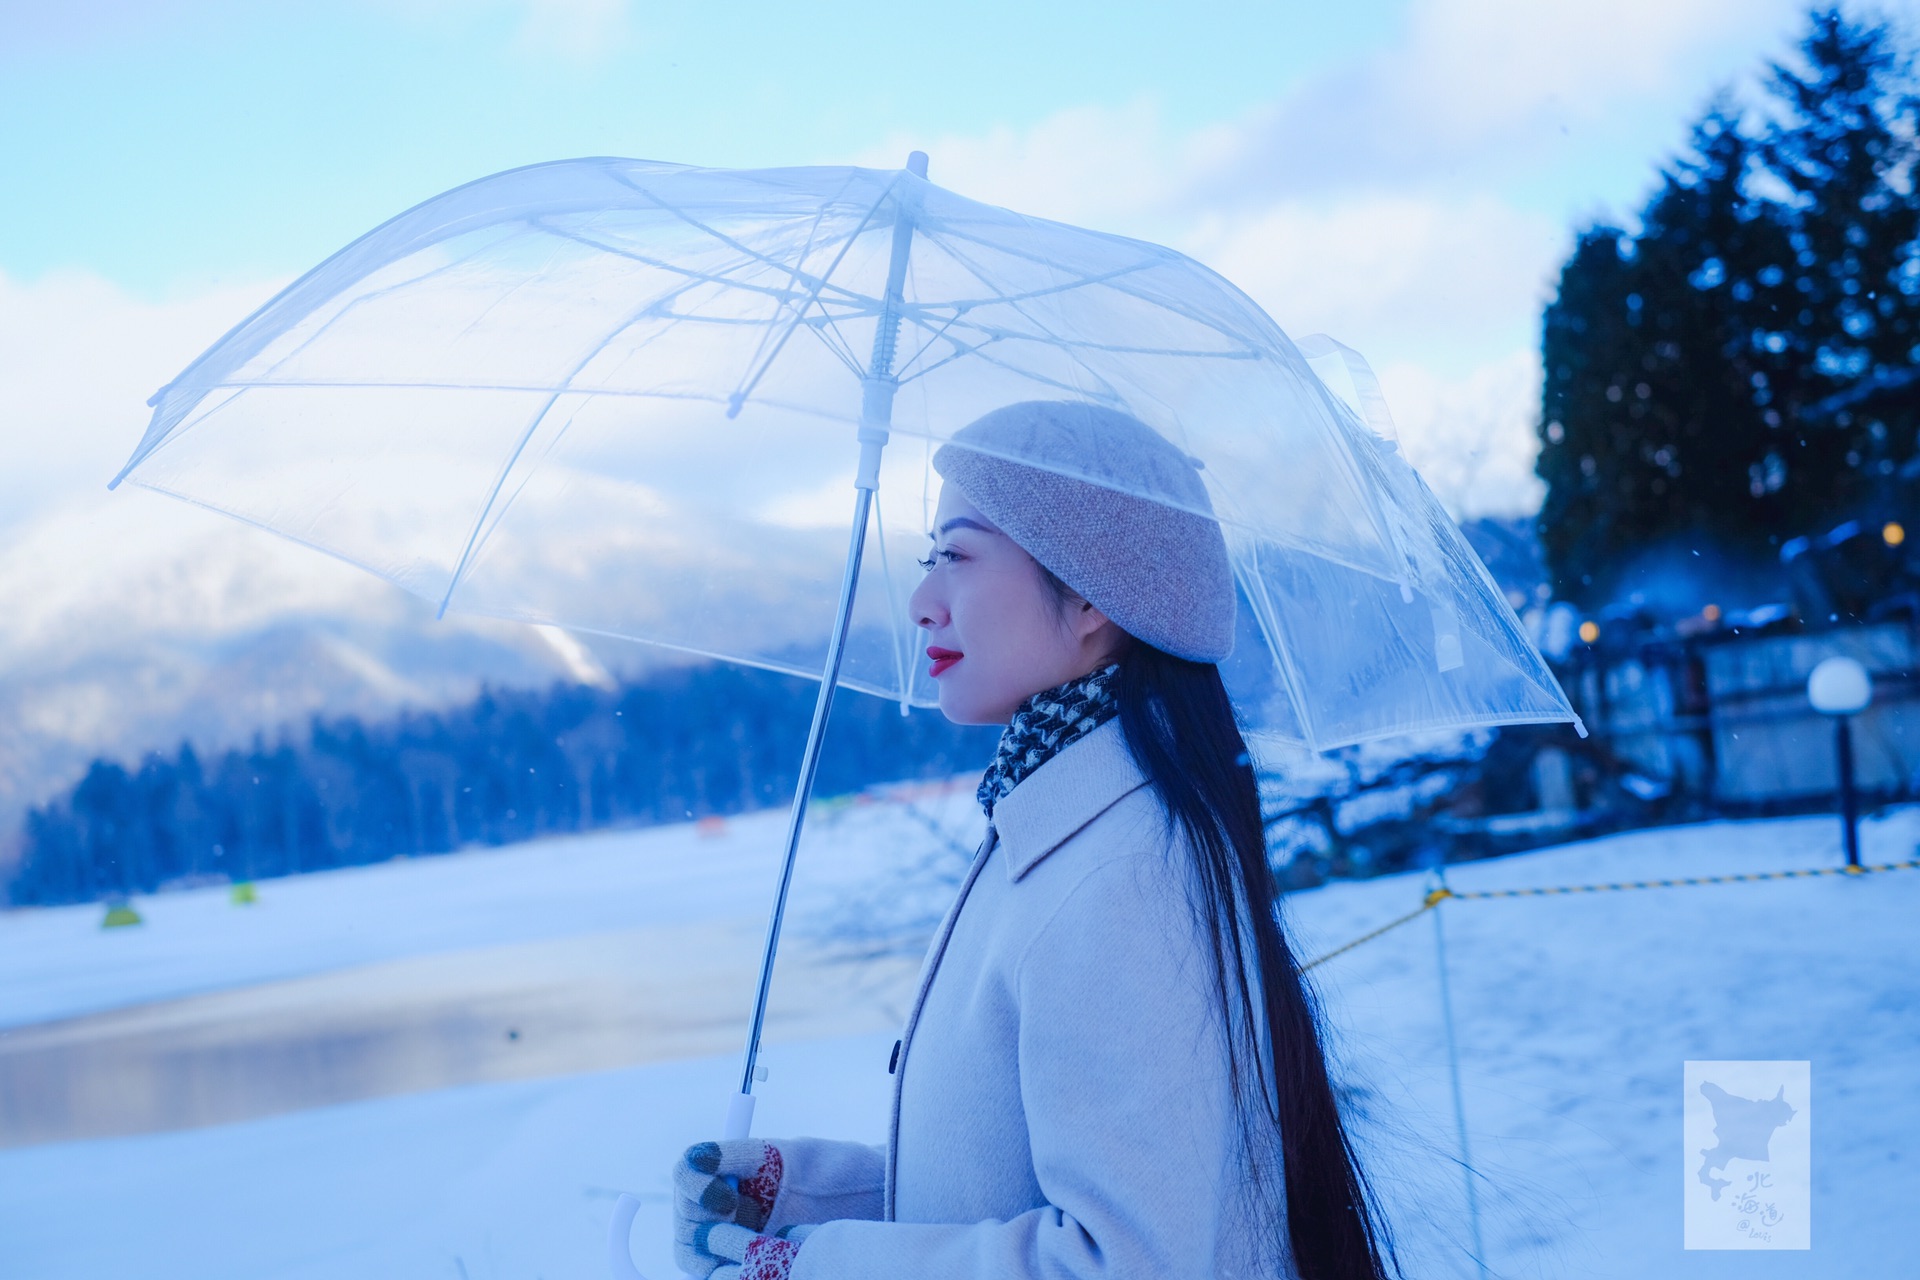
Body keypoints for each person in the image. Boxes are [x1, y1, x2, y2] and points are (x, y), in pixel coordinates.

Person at [671, 401, 1401, 1280]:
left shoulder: (1121, 872)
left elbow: (1132, 1261)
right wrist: (804, 1202)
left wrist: (824, 1268)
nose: (922, 602)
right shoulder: (1052, 829)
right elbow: (1012, 1197)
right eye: (926, 558)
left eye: (958, 556)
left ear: (1094, 590)